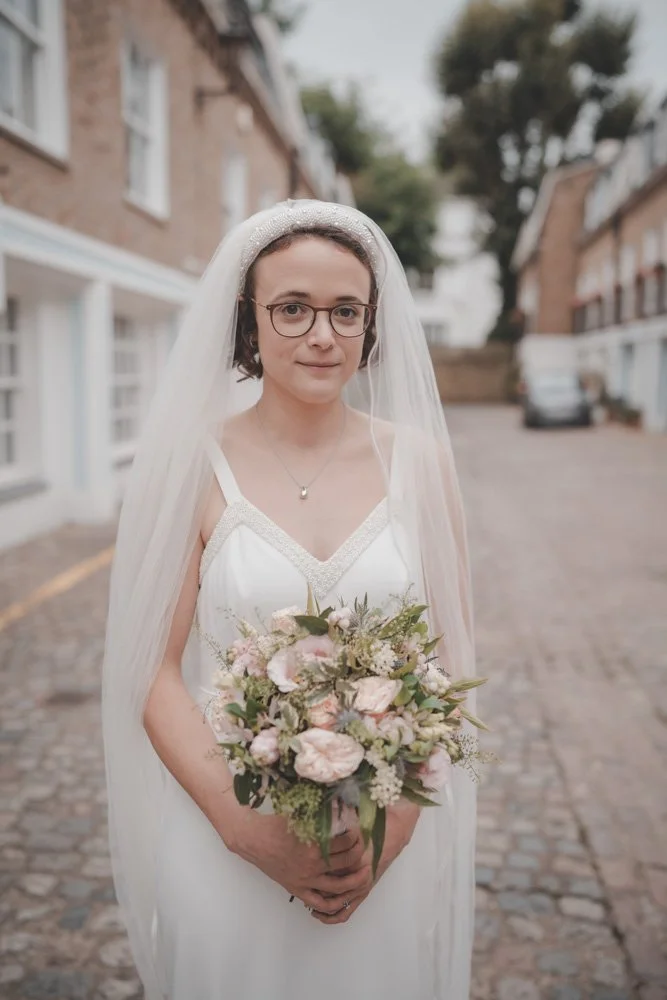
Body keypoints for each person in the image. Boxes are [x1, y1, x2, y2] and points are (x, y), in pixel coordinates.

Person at [102, 200, 476, 1000]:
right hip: (226, 832)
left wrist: (396, 827)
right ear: (249, 321)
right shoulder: (191, 464)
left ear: (371, 323)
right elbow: (151, 670)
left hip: (373, 835)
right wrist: (247, 831)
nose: (321, 334)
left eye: (346, 311)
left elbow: (448, 659)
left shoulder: (421, 463)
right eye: (293, 308)